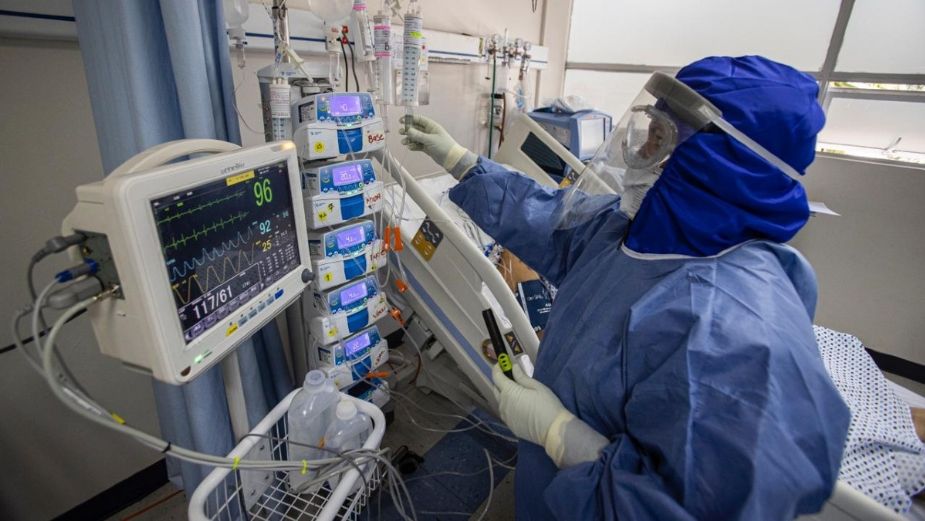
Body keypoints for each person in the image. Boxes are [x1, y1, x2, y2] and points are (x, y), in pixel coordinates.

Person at [399, 55, 851, 520]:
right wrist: (462, 161)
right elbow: (550, 220)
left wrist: (564, 437)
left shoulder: (738, 335)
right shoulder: (634, 231)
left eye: (660, 139)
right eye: (646, 131)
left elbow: (691, 508)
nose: (638, 154)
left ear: (719, 164)